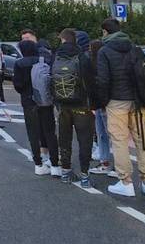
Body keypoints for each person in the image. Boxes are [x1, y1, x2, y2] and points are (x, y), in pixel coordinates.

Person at [97, 18, 145, 197]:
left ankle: (126, 182)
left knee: (119, 140)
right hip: (137, 101)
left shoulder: (104, 51)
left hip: (116, 101)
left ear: (106, 32)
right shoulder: (135, 48)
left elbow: (103, 80)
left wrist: (102, 102)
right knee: (142, 140)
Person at [52, 29, 96, 188]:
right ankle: (85, 176)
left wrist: (57, 102)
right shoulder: (82, 57)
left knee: (64, 139)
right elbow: (91, 83)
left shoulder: (55, 57)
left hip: (63, 106)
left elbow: (51, 82)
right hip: (82, 106)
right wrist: (94, 104)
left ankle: (65, 171)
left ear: (62, 40)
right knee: (85, 140)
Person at [13, 40, 61, 177]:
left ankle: (38, 164)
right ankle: (55, 165)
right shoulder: (43, 60)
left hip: (28, 102)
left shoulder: (19, 63)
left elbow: (18, 85)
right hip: (45, 101)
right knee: (50, 133)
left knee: (33, 134)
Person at [21, 29, 53, 166]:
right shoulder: (42, 51)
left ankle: (45, 154)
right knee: (43, 126)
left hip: (39, 96)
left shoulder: (41, 53)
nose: (25, 41)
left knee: (41, 127)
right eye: (23, 39)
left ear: (35, 37)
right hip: (42, 95)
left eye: (27, 38)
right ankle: (46, 154)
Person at [88, 39, 118, 178]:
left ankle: (106, 163)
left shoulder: (93, 65)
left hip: (100, 104)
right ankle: (116, 165)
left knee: (103, 134)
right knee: (110, 135)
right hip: (106, 104)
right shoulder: (107, 64)